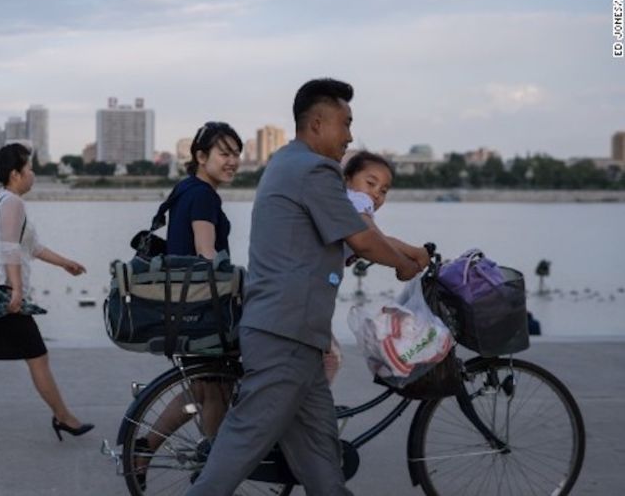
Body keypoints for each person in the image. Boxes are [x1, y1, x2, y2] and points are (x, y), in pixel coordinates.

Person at [186, 79, 422, 495]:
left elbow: (355, 235)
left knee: (320, 460)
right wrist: (405, 266)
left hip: (297, 336)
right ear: (317, 124)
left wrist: (405, 255)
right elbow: (362, 237)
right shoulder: (315, 170)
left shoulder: (285, 161)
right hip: (285, 334)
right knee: (240, 444)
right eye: (345, 124)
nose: (349, 136)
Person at [0, 143, 94, 444]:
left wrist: (65, 264)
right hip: (2, 295)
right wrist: (17, 291)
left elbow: (31, 247)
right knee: (37, 356)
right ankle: (63, 417)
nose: (33, 174)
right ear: (15, 174)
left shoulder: (4, 200)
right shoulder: (12, 203)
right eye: (30, 169)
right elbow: (10, 248)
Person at [133, 122, 243, 485]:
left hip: (182, 307)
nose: (233, 162)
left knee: (202, 388)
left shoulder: (184, 190)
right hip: (200, 310)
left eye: (236, 154)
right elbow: (206, 254)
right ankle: (217, 473)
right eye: (224, 153)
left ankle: (146, 448)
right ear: (200, 156)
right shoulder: (204, 196)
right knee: (213, 390)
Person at [324, 150, 431, 383]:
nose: (375, 194)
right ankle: (313, 416)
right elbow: (372, 240)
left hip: (312, 295)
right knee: (331, 358)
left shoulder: (345, 204)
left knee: (326, 358)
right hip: (310, 297)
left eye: (383, 191)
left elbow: (377, 240)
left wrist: (412, 252)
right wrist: (410, 258)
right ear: (347, 180)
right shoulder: (355, 200)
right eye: (370, 183)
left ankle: (310, 412)